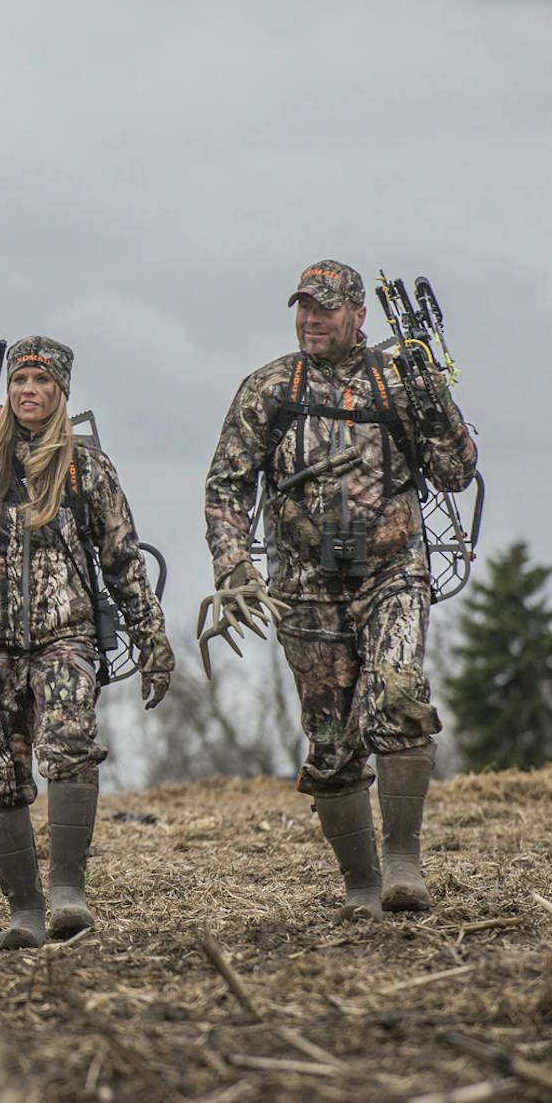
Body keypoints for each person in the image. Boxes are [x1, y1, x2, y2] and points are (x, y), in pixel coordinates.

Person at [200, 261, 478, 920]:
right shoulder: (269, 388)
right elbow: (227, 485)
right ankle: (361, 884)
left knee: (399, 694)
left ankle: (403, 862)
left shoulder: (399, 381)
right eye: (304, 308)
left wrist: (434, 397)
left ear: (358, 314)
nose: (311, 320)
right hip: (303, 588)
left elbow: (456, 472)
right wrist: (234, 566)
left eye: (325, 308)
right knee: (330, 743)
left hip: (393, 573)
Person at [0, 336, 173, 948]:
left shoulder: (87, 467)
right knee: (0, 772)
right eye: (19, 382)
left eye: (41, 382)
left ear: (61, 392)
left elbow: (122, 559)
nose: (28, 391)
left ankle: (67, 894)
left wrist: (152, 639)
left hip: (66, 635)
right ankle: (25, 912)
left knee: (70, 746)